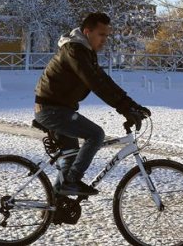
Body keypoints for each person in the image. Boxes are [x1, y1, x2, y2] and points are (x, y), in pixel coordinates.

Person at [34, 12, 151, 196]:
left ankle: (56, 205)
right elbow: (95, 84)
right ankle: (71, 182)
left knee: (71, 156)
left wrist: (132, 105)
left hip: (59, 109)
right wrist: (123, 109)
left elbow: (104, 81)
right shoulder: (74, 51)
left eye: (107, 35)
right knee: (96, 135)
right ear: (87, 32)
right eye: (101, 35)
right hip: (52, 110)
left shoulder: (85, 52)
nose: (104, 40)